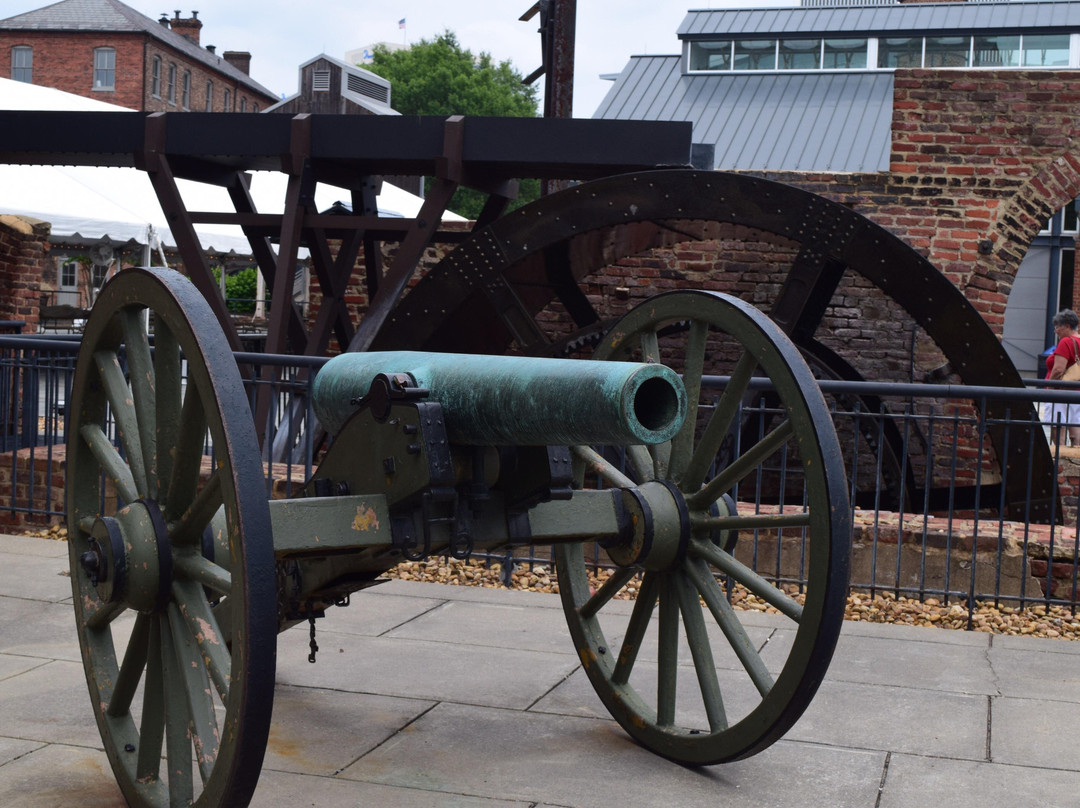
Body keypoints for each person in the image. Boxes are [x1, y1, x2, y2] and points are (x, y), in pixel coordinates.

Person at [1044, 309, 1080, 446]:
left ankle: (1060, 458)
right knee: (1075, 425)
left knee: (1058, 424)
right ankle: (1075, 460)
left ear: (1067, 326)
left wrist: (1049, 388)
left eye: (1058, 327)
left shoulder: (1066, 342)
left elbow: (1058, 369)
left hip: (1059, 392)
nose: (1055, 330)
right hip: (1076, 392)